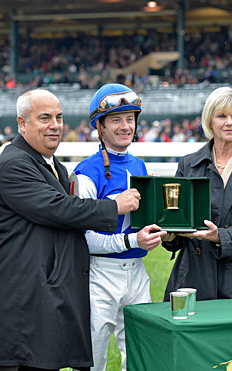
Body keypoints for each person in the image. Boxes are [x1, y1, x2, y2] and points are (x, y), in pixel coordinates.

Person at [0, 89, 142, 371]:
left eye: (59, 117)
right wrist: (113, 207)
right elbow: (58, 208)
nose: (55, 124)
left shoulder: (54, 167)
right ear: (22, 123)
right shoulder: (14, 164)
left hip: (37, 302)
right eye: (44, 118)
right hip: (17, 308)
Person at [73, 83, 166, 371]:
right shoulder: (85, 172)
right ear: (99, 127)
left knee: (140, 355)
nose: (125, 126)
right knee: (93, 359)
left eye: (130, 118)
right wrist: (132, 241)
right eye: (116, 120)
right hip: (99, 275)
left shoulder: (140, 165)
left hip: (137, 273)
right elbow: (84, 240)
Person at [162, 86, 232, 301]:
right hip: (192, 279)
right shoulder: (188, 164)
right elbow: (177, 225)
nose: (229, 122)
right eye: (221, 116)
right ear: (209, 121)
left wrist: (221, 237)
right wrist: (169, 236)